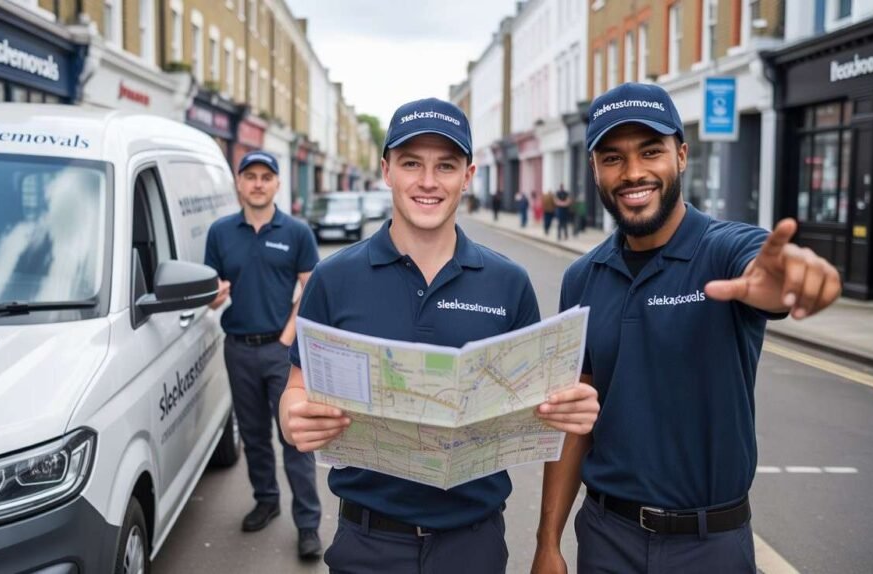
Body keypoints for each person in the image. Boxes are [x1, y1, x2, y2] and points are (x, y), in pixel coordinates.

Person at [278, 97, 601, 574]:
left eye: (445, 166)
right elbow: (297, 388)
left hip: (473, 543)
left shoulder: (508, 283)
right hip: (367, 541)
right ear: (387, 170)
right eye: (412, 163)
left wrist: (570, 406)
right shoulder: (334, 278)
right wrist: (293, 418)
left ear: (467, 176)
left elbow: (541, 400)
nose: (428, 182)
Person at [530, 82, 842, 574]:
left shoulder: (725, 249)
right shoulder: (582, 278)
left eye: (650, 151)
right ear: (594, 169)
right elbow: (575, 420)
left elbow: (760, 273)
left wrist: (783, 277)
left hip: (709, 545)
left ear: (680, 155)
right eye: (612, 158)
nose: (633, 172)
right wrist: (547, 542)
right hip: (606, 538)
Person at [204, 150, 324, 560]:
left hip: (282, 352)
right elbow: (212, 292)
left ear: (276, 184)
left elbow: (312, 287)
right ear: (239, 183)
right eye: (250, 176)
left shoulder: (296, 232)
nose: (258, 183)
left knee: (295, 440)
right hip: (237, 349)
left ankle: (307, 524)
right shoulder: (220, 233)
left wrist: (288, 336)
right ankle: (266, 501)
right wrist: (213, 296)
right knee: (253, 436)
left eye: (265, 176)